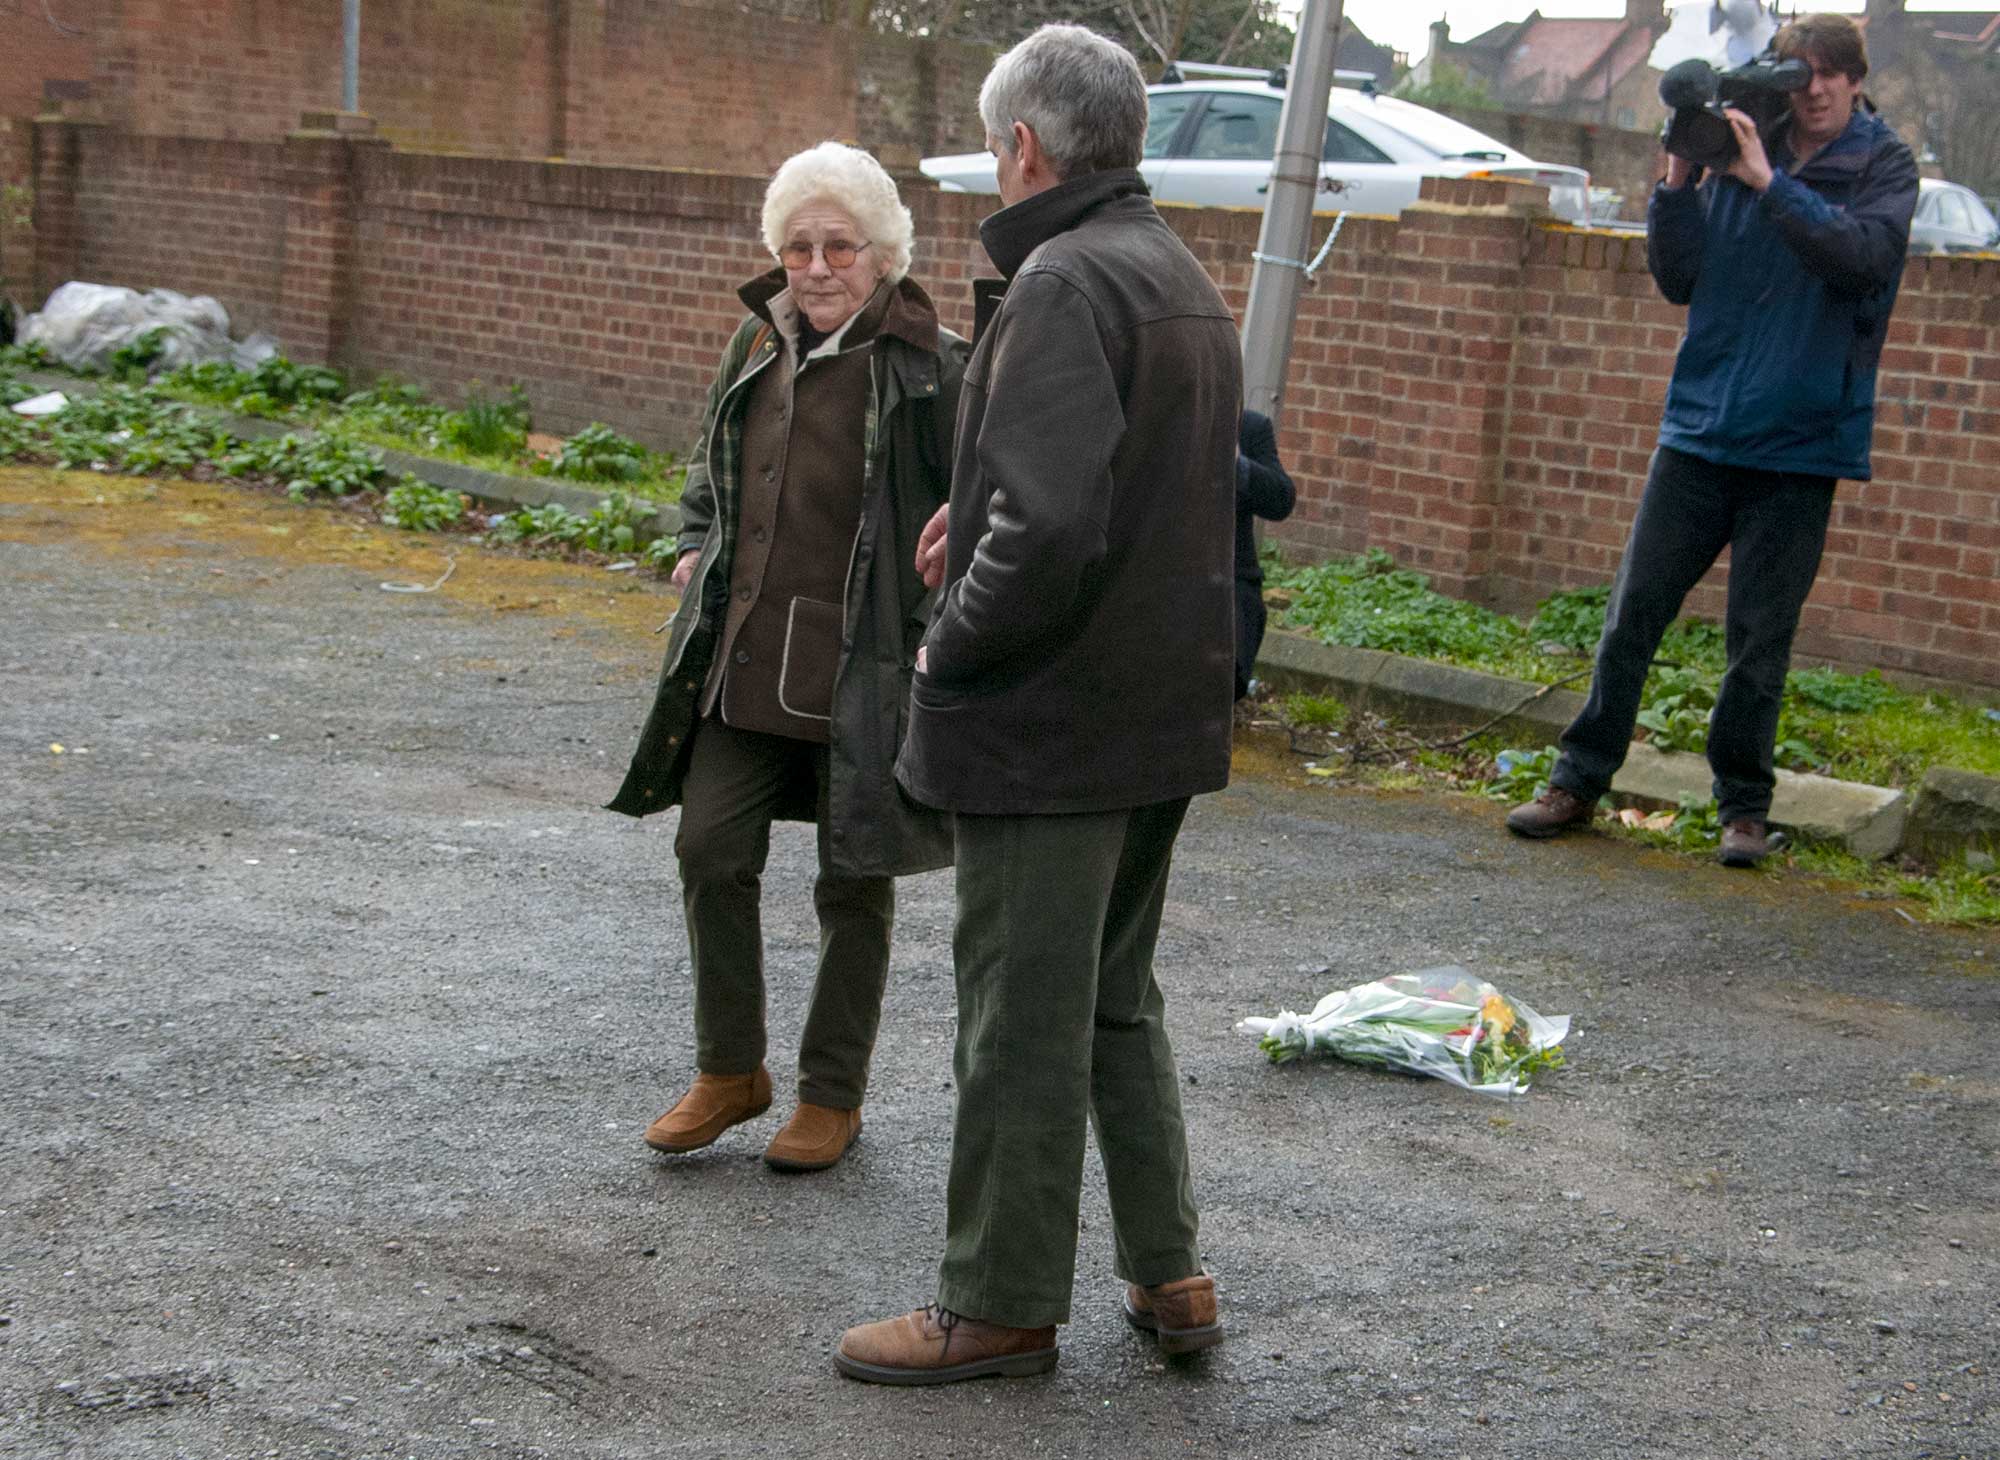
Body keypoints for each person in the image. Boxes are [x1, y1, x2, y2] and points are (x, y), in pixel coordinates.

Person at [835, 24, 1242, 1385]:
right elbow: (1129, 494)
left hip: (1052, 724)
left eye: (990, 145)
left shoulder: (1065, 279)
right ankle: (1167, 1271)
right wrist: (996, 511)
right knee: (1115, 999)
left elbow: (1057, 529)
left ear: (1023, 146)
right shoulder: (1171, 268)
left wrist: (952, 647)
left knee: (1019, 1016)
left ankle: (999, 1305)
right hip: (1156, 709)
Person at [607, 142, 966, 1172]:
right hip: (745, 654)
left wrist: (947, 620)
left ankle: (830, 1092)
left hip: (864, 669)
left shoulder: (930, 365)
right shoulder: (754, 344)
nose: (814, 266)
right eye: (797, 246)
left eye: (837, 246)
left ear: (881, 252)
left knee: (854, 878)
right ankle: (730, 1069)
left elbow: (972, 503)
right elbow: (709, 458)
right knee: (708, 847)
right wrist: (691, 539)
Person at [1505, 12, 1915, 868]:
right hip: (1702, 428)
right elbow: (1678, 278)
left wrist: (1770, 182)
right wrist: (1678, 180)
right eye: (1801, 77)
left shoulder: (1882, 164)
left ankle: (1743, 810)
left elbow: (1861, 260)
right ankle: (1577, 779)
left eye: (1830, 77)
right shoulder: (1735, 146)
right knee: (1631, 618)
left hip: (1800, 445)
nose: (1814, 94)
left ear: (1854, 79)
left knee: (1757, 646)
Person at [1233, 408, 1296, 699]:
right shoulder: (1156, 417)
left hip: (1229, 589)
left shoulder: (1249, 426)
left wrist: (1236, 464)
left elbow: (1281, 500)